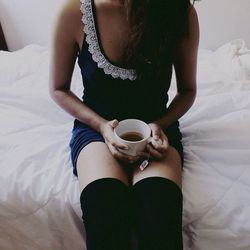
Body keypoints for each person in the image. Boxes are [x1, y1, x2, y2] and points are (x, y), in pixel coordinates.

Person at [49, 0, 199, 249]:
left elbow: (187, 90)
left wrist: (160, 124)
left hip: (156, 129)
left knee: (158, 206)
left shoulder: (178, 11)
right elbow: (58, 88)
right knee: (104, 203)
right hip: (96, 128)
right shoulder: (74, 10)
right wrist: (101, 126)